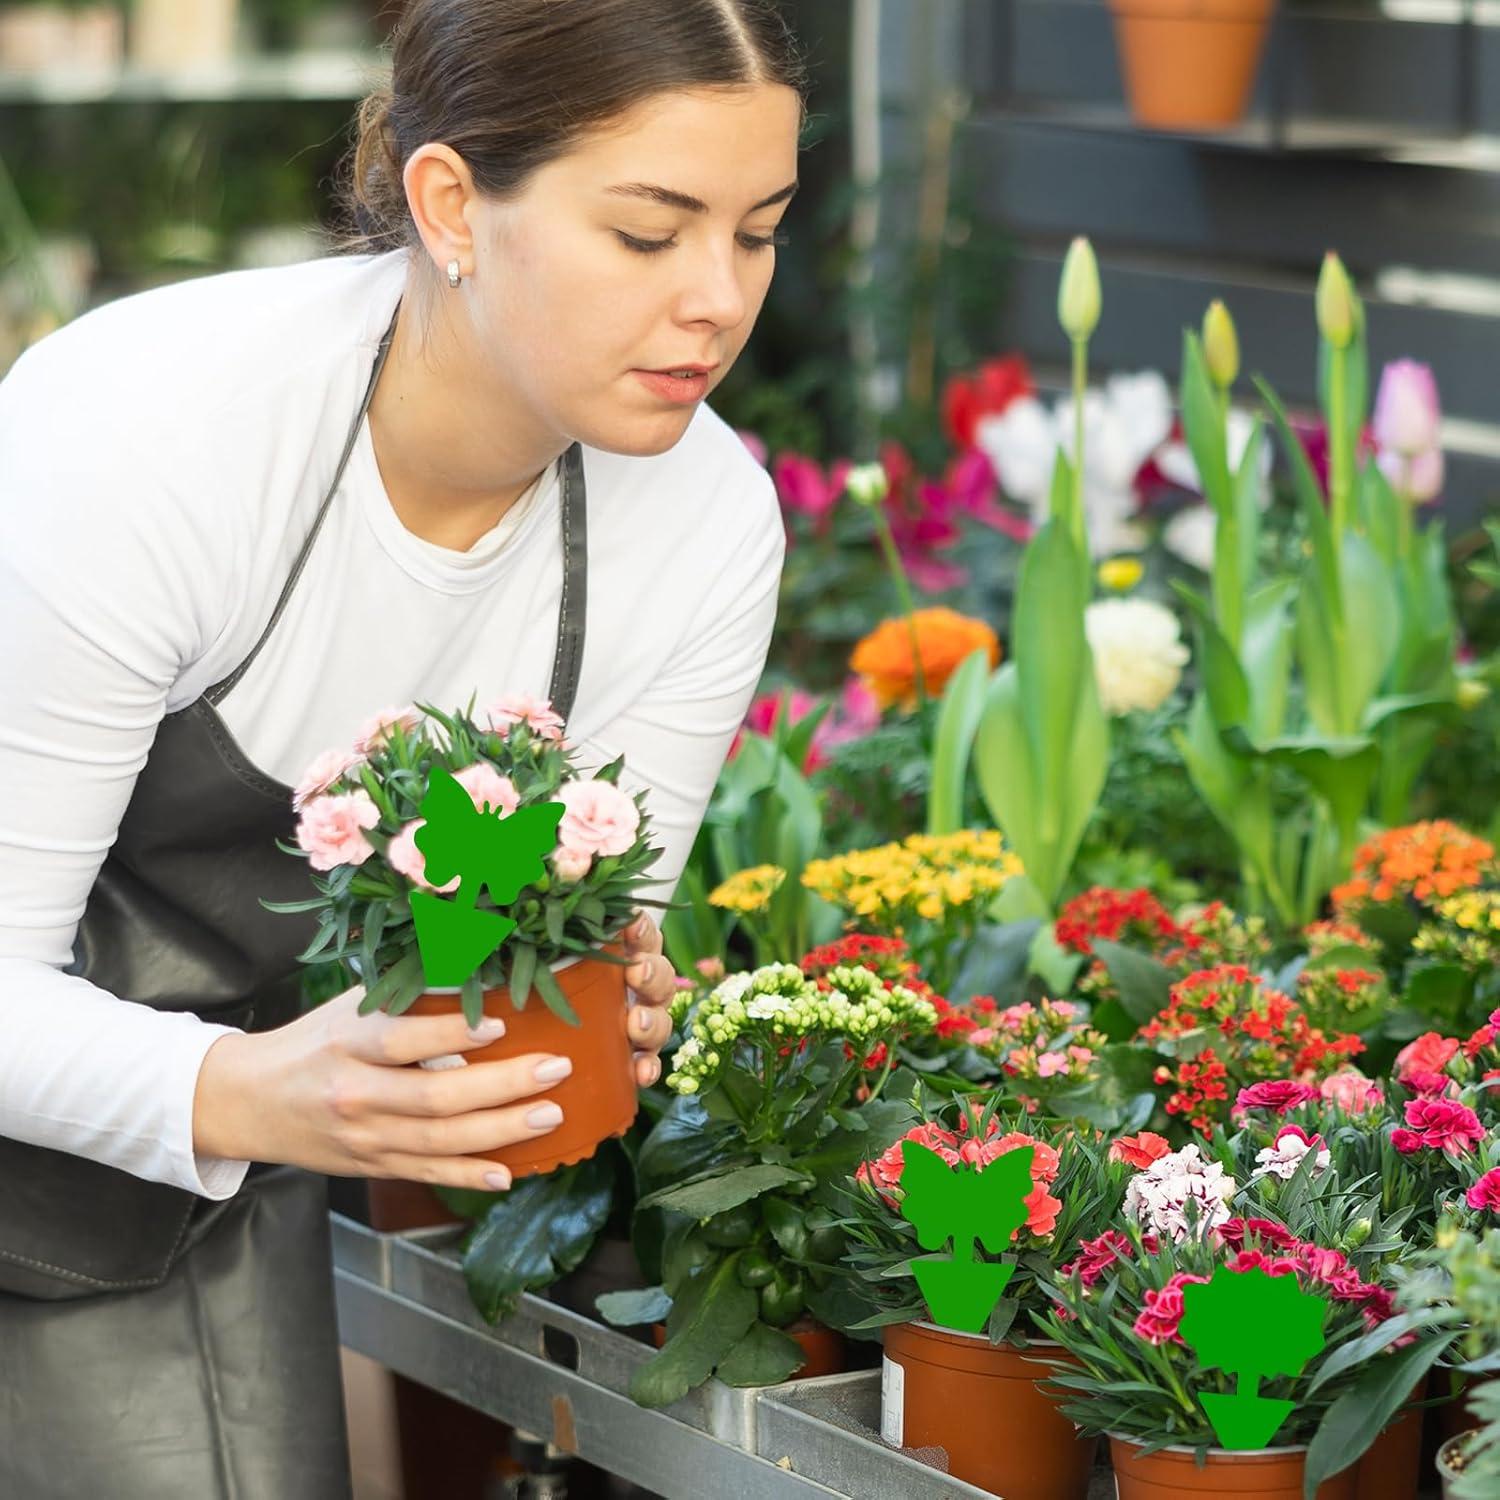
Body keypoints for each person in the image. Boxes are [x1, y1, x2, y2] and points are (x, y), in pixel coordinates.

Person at [0, 0, 806, 1493]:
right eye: (649, 233)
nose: (718, 299)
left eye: (756, 232)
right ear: (449, 205)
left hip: (205, 1184)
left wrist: (595, 1000)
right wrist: (251, 1092)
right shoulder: (149, 437)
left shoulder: (700, 525)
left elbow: (585, 945)